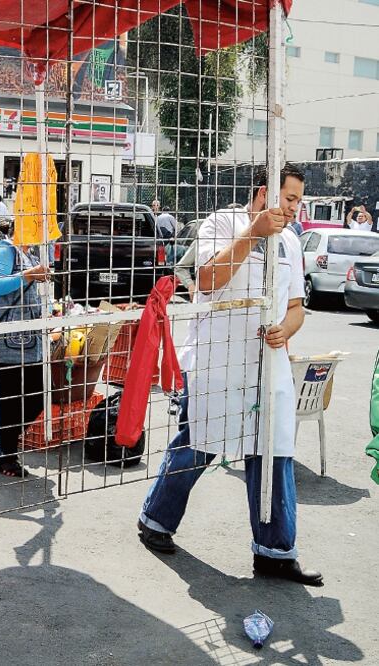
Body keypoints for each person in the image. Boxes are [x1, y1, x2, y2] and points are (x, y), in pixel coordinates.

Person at [137, 164, 323, 587]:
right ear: (264, 194)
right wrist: (253, 233)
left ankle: (275, 551)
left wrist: (286, 330)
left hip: (266, 363)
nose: (295, 208)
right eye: (289, 198)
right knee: (197, 445)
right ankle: (156, 520)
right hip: (217, 362)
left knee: (273, 452)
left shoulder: (292, 243)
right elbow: (206, 280)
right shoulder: (222, 222)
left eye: (298, 200)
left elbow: (296, 308)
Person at [0, 223, 50, 478]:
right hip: (3, 342)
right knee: (10, 400)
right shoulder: (4, 250)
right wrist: (28, 275)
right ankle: (4, 456)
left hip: (29, 342)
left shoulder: (31, 254)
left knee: (37, 396)